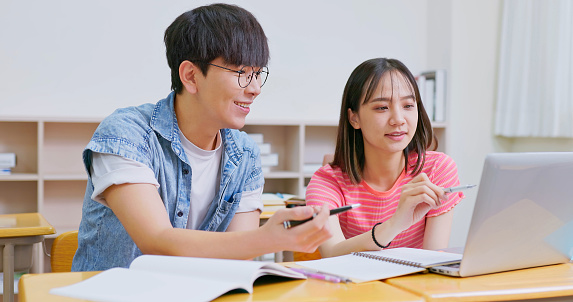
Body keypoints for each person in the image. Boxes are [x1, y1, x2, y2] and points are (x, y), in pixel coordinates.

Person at [72, 3, 331, 271]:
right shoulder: (126, 135)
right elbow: (157, 240)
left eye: (257, 74)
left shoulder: (245, 155)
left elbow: (238, 258)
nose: (255, 89)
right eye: (242, 73)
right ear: (191, 76)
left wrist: (266, 240)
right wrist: (266, 240)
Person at [305, 58, 464, 258]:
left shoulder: (437, 169)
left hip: (416, 286)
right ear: (354, 118)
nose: (398, 119)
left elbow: (433, 260)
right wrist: (395, 224)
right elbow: (332, 253)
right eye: (382, 108)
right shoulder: (327, 182)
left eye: (408, 105)